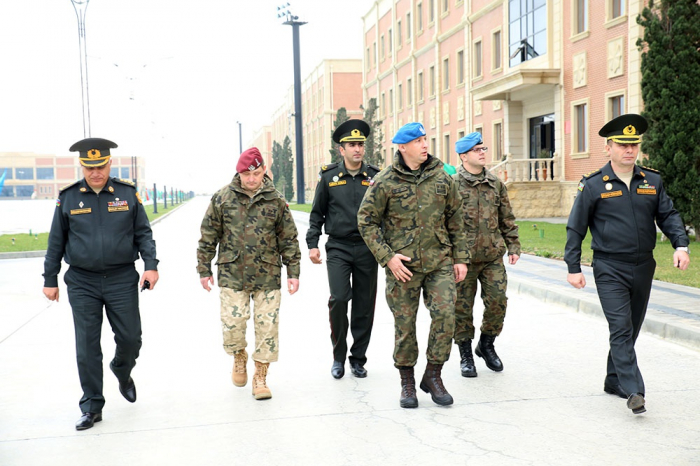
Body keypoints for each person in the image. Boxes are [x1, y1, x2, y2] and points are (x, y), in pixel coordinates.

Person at [565, 114, 690, 415]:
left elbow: (669, 216)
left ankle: (613, 379)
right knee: (620, 326)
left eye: (633, 144)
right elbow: (575, 226)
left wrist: (681, 244)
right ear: (608, 148)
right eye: (622, 144)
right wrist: (573, 267)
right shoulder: (594, 185)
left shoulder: (652, 181)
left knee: (630, 327)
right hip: (609, 267)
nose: (629, 150)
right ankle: (634, 390)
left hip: (643, 266)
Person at [42, 138, 159, 431]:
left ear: (109, 163)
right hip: (82, 281)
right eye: (90, 167)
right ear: (82, 166)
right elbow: (56, 240)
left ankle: (122, 368)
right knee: (86, 346)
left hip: (121, 278)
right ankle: (92, 405)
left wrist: (151, 266)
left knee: (131, 338)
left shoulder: (127, 193)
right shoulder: (68, 197)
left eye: (101, 166)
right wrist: (50, 278)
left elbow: (143, 233)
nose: (96, 172)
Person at [357, 122, 468, 408]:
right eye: (418, 141)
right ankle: (407, 382)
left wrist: (461, 258)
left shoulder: (443, 178)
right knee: (405, 326)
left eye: (425, 139)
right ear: (402, 147)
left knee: (445, 317)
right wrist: (387, 257)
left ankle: (433, 375)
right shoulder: (384, 181)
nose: (424, 145)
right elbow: (366, 221)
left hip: (439, 262)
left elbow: (456, 218)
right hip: (402, 267)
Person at [197, 147, 301, 401]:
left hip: (267, 274)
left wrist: (293, 271)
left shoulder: (276, 200)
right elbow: (208, 235)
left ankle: (261, 376)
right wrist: (203, 268)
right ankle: (239, 356)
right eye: (246, 174)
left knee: (267, 329)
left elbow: (288, 238)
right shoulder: (223, 198)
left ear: (264, 171)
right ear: (239, 173)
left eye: (256, 173)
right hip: (233, 273)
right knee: (233, 325)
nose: (251, 179)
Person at [307, 119, 381, 379]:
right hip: (338, 247)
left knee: (364, 306)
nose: (357, 149)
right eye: (352, 145)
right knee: (339, 299)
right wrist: (312, 244)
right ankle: (338, 357)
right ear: (342, 149)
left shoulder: (375, 177)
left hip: (367, 248)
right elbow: (317, 214)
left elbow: (386, 214)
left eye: (360, 144)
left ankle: (358, 359)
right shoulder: (329, 177)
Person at [452, 132, 520, 377]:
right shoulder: (451, 184)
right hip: (463, 259)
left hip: (492, 256)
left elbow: (506, 217)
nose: (483, 152)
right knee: (461, 308)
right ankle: (465, 354)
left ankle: (487, 344)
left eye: (484, 148)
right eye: (477, 149)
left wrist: (513, 246)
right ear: (463, 156)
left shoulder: (495, 183)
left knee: (497, 302)